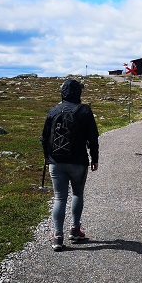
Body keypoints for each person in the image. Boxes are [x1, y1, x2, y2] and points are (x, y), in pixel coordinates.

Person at [41, 78, 99, 252]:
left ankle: (57, 236)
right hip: (78, 162)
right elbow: (93, 138)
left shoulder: (53, 111)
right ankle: (75, 229)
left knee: (59, 197)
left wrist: (47, 158)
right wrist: (94, 158)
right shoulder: (84, 111)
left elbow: (44, 138)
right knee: (77, 194)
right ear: (78, 93)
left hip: (55, 162)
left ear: (63, 92)